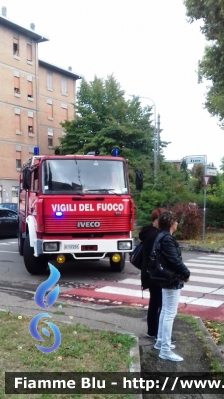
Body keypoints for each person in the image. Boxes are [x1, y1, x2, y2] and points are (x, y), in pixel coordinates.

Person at [154, 211, 190, 362]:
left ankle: (160, 342)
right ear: (170, 223)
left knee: (165, 311)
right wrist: (186, 273)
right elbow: (174, 261)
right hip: (171, 279)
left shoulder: (161, 236)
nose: (177, 224)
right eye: (175, 221)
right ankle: (165, 350)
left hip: (165, 278)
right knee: (169, 313)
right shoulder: (167, 239)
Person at [139, 207, 165, 339]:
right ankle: (156, 332)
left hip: (149, 273)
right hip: (154, 275)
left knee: (155, 302)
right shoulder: (154, 235)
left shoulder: (148, 232)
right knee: (159, 303)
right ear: (155, 220)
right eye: (161, 219)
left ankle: (152, 331)